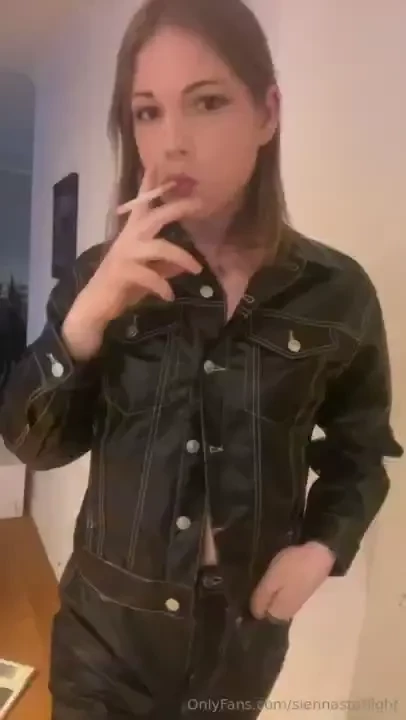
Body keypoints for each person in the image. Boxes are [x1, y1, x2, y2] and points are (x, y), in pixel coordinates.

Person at [0, 0, 402, 717]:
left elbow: (360, 452)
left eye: (208, 102)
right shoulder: (98, 277)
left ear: (267, 113)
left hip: (240, 643)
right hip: (105, 641)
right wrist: (89, 316)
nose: (173, 142)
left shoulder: (336, 293)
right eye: (147, 112)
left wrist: (321, 549)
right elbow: (32, 445)